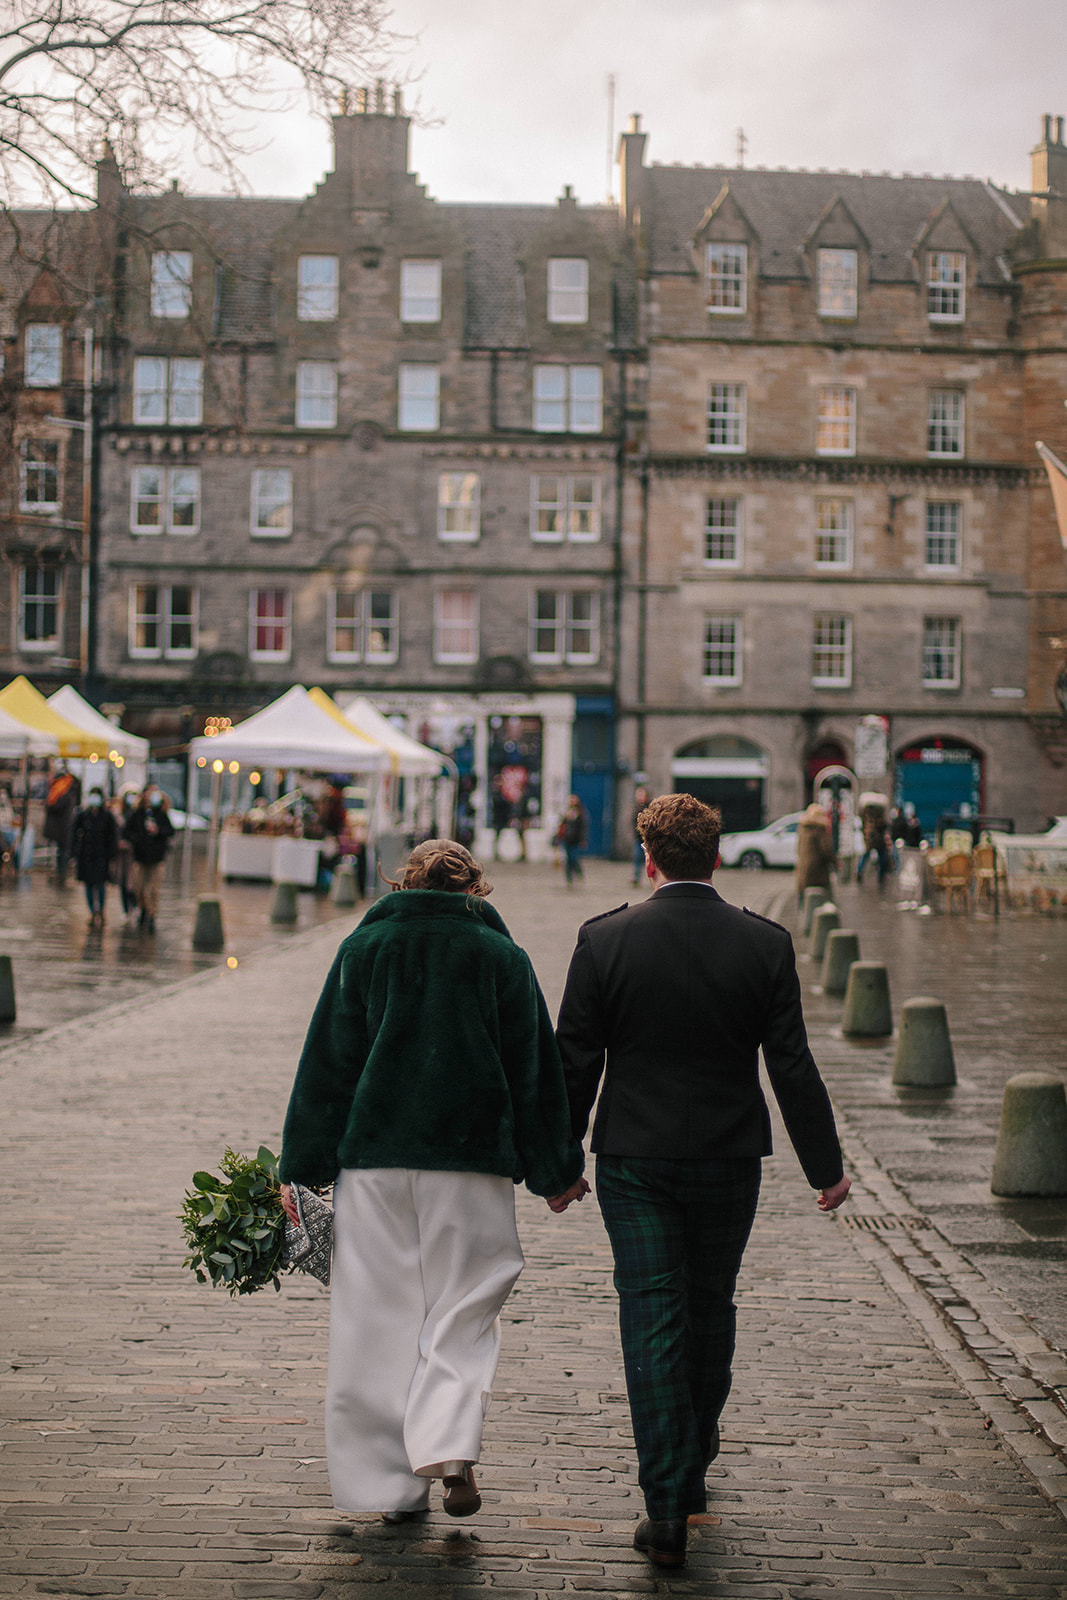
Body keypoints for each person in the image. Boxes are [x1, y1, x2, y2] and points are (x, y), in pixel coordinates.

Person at [552, 792, 850, 1570]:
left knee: (651, 1314)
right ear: (715, 856)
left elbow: (574, 1061)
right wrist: (826, 1167)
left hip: (634, 1160)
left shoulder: (605, 940)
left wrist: (557, 1164)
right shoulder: (762, 944)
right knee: (710, 1303)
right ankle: (693, 1461)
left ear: (648, 857)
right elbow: (789, 1063)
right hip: (725, 1154)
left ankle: (665, 1502)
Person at [278, 839, 585, 1525]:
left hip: (374, 1161)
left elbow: (327, 1064)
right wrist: (556, 1170)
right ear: (474, 888)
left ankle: (385, 1487)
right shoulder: (500, 958)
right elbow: (533, 1071)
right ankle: (449, 1449)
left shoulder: (364, 950)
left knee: (375, 1319)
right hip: (469, 1160)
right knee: (465, 1302)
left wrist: (299, 1168)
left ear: (403, 882)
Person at [123, 785, 175, 932]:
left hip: (156, 858)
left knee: (153, 890)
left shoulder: (161, 814)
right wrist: (137, 839)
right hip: (139, 857)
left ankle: (151, 915)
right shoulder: (137, 814)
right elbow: (127, 832)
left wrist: (158, 831)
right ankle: (144, 908)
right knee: (137, 888)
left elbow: (170, 831)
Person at [70, 787, 119, 926]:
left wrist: (111, 854)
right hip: (86, 856)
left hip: (102, 856)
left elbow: (112, 836)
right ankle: (92, 911)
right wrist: (74, 853)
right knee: (89, 886)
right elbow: (74, 834)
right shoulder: (83, 815)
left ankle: (101, 910)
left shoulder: (107, 816)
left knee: (101, 885)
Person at [43, 763, 81, 886]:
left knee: (62, 851)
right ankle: (60, 873)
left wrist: (48, 805)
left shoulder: (63, 790)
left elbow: (55, 807)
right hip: (62, 827)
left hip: (62, 827)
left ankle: (61, 873)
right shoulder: (67, 788)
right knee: (61, 851)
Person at [795, 801, 836, 902]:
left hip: (803, 868)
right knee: (824, 896)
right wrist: (835, 861)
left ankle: (803, 914)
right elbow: (826, 849)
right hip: (817, 869)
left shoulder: (802, 828)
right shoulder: (820, 828)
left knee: (804, 896)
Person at [555, 794, 588, 886]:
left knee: (574, 858)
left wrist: (583, 839)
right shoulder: (567, 813)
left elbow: (583, 828)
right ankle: (569, 879)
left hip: (575, 840)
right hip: (566, 839)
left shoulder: (580, 814)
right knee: (567, 860)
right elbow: (561, 826)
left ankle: (578, 874)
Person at [630, 785, 651, 886]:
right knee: (637, 858)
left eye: (641, 795)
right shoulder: (636, 808)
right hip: (639, 838)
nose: (639, 797)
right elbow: (633, 822)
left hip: (649, 839)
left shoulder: (650, 807)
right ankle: (636, 877)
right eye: (638, 795)